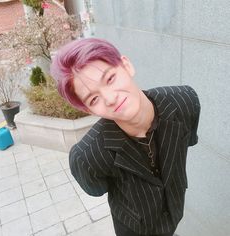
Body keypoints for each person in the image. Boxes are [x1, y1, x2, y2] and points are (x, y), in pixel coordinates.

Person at [50, 38, 200, 236]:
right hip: (133, 228)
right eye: (94, 99)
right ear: (89, 109)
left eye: (110, 79)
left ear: (126, 65)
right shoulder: (87, 156)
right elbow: (95, 189)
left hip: (174, 210)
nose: (111, 98)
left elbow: (186, 142)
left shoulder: (184, 102)